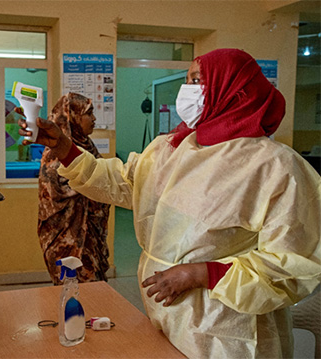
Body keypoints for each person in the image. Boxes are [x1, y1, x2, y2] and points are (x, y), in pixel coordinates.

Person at [19, 48, 321, 358]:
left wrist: (201, 273)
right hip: (165, 312)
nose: (187, 90)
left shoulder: (274, 167)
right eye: (188, 80)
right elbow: (124, 182)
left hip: (229, 328)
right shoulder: (170, 148)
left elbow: (295, 263)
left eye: (197, 80)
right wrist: (65, 147)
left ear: (232, 90)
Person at [37, 93, 110, 284]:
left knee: (95, 289)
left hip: (90, 237)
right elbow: (59, 192)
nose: (93, 119)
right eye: (88, 114)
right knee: (73, 290)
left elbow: (101, 180)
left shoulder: (88, 146)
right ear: (73, 118)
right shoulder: (56, 152)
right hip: (67, 239)